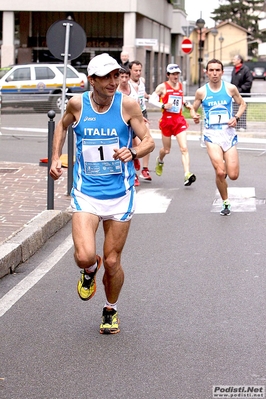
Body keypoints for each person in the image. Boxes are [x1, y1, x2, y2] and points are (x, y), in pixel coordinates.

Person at [49, 53, 154, 334]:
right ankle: (88, 270)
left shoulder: (127, 105)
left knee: (112, 260)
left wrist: (132, 151)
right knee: (86, 256)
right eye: (106, 76)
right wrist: (56, 156)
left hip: (120, 195)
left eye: (116, 75)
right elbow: (61, 125)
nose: (113, 81)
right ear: (91, 80)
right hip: (86, 193)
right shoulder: (77, 104)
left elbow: (148, 141)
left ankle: (110, 309)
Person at [190, 58, 246, 216]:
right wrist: (194, 116)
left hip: (228, 134)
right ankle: (225, 201)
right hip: (211, 135)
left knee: (233, 175)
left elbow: (242, 104)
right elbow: (193, 109)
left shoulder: (230, 88)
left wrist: (236, 117)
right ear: (206, 72)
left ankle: (223, 170)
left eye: (217, 70)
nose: (214, 73)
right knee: (221, 172)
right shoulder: (202, 91)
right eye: (211, 70)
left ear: (222, 72)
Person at [149, 63, 196, 187]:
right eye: (173, 74)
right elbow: (151, 100)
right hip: (167, 121)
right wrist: (163, 105)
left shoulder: (180, 86)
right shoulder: (162, 87)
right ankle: (160, 160)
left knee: (184, 148)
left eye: (177, 74)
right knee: (166, 150)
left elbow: (181, 98)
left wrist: (187, 104)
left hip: (178, 120)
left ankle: (187, 174)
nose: (176, 76)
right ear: (168, 75)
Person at [117, 68, 141, 186]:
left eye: (126, 77)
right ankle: (133, 174)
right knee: (126, 143)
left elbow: (138, 104)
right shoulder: (116, 90)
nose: (124, 80)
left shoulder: (134, 88)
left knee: (136, 143)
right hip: (122, 120)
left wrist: (141, 117)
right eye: (122, 77)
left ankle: (135, 158)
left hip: (133, 119)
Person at [129, 60, 152, 182]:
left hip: (143, 112)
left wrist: (150, 97)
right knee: (135, 143)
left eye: (139, 70)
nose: (138, 73)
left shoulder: (142, 81)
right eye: (135, 70)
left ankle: (145, 169)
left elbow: (143, 95)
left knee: (147, 139)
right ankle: (134, 169)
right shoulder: (127, 83)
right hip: (132, 114)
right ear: (130, 71)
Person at [231, 55, 253, 131]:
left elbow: (249, 82)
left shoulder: (246, 70)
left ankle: (242, 126)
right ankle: (236, 125)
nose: (233, 60)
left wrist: (240, 90)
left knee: (242, 110)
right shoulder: (234, 69)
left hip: (244, 95)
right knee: (235, 110)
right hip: (235, 95)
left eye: (234, 59)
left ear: (239, 60)